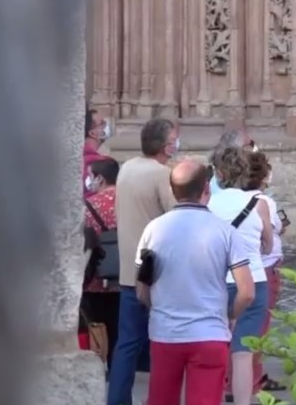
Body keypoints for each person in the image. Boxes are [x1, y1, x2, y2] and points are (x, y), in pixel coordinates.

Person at [137, 160, 255, 405]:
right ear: (207, 189)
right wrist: (231, 315)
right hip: (209, 333)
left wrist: (157, 310)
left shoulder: (153, 230)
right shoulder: (225, 232)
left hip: (165, 334)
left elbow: (141, 290)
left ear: (172, 191)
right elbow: (247, 292)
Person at [106, 118, 180, 405]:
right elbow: (177, 213)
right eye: (173, 139)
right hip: (156, 271)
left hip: (128, 268)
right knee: (163, 340)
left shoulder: (126, 168)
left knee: (127, 343)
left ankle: (117, 399)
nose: (175, 143)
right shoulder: (161, 174)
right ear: (164, 145)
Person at [207, 146, 274, 405]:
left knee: (213, 348)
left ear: (219, 174)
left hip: (216, 281)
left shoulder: (209, 204)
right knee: (243, 353)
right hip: (253, 280)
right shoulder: (259, 204)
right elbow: (267, 244)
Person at [82, 157, 122, 367]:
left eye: (90, 176)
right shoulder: (129, 201)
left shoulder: (88, 205)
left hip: (96, 278)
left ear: (100, 178)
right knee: (120, 330)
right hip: (125, 277)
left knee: (96, 327)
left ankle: (98, 365)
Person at [83, 108, 113, 192]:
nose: (107, 126)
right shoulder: (98, 163)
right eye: (102, 123)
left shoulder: (83, 156)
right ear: (92, 133)